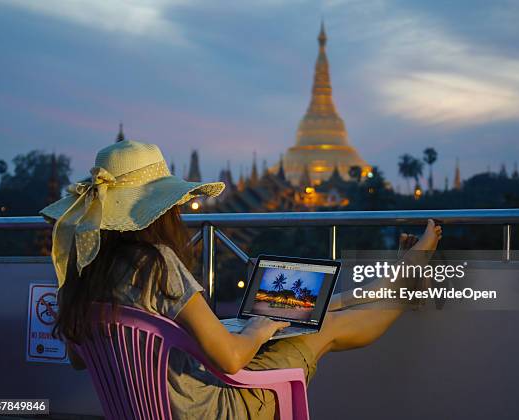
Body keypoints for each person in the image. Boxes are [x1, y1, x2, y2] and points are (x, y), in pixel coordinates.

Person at [42, 140, 442, 419]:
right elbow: (232, 359)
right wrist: (256, 326)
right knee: (322, 328)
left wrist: (244, 328)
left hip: (145, 407)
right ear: (158, 210)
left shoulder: (83, 269)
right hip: (210, 410)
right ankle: (406, 287)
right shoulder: (155, 263)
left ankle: (387, 285)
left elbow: (79, 358)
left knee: (301, 312)